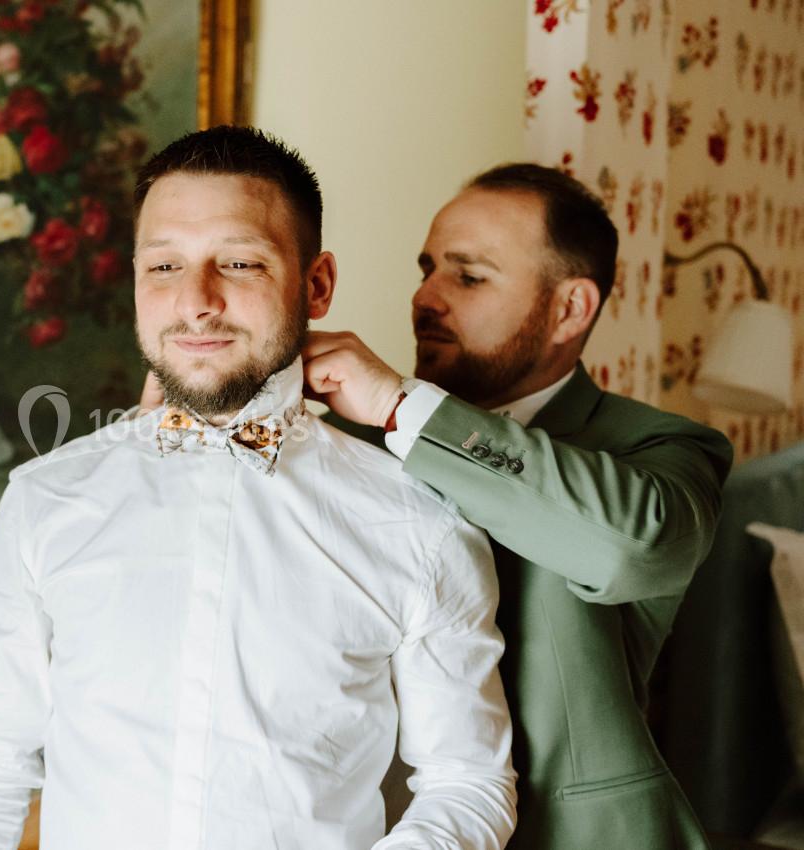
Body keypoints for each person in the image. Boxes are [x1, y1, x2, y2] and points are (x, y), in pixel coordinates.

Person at [0, 126, 518, 850]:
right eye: (164, 266)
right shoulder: (45, 501)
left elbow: (469, 781)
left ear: (316, 284)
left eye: (239, 262)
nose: (196, 301)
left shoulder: (417, 522)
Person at [297, 164, 734, 849]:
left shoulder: (660, 448)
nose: (424, 297)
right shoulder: (338, 446)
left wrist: (399, 408)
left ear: (570, 309)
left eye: (468, 277)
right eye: (428, 269)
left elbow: (632, 550)